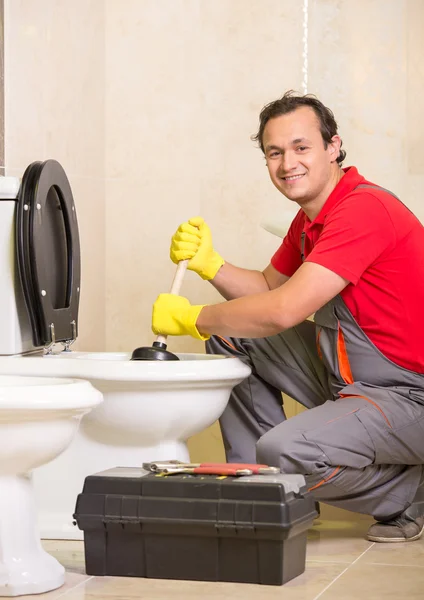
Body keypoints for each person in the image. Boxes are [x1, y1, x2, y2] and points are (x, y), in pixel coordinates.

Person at [151, 90, 424, 543]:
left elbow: (284, 311)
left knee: (285, 448)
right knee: (234, 337)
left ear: (333, 147)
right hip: (354, 380)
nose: (287, 164)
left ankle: (409, 493)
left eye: (301, 147)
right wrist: (211, 264)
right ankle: (263, 492)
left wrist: (195, 317)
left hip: (408, 395)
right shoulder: (313, 217)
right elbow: (269, 289)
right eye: (274, 152)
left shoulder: (363, 210)